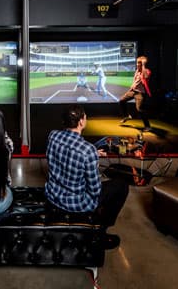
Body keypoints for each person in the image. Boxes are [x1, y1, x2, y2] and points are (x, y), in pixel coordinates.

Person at [45, 104, 128, 249]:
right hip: (76, 204)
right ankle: (100, 230)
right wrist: (93, 162)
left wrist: (92, 154)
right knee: (121, 186)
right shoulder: (87, 150)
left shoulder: (53, 135)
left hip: (52, 195)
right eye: (85, 117)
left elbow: (68, 150)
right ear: (81, 122)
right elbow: (95, 191)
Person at [118, 55, 152, 131]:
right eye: (137, 63)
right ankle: (126, 116)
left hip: (140, 93)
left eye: (138, 63)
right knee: (121, 101)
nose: (137, 64)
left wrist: (143, 65)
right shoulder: (137, 71)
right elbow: (135, 81)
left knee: (139, 109)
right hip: (133, 91)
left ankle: (148, 126)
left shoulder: (147, 71)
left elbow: (145, 77)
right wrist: (130, 89)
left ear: (143, 64)